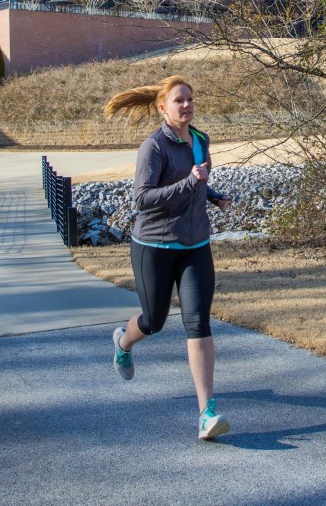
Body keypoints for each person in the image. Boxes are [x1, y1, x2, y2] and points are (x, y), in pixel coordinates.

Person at [103, 75, 233, 440]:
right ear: (163, 107)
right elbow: (142, 199)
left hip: (195, 245)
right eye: (179, 100)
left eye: (190, 99)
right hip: (155, 247)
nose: (187, 105)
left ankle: (207, 413)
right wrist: (192, 182)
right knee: (154, 320)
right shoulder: (154, 147)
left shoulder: (201, 140)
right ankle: (123, 342)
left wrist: (213, 196)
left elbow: (197, 182)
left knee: (198, 322)